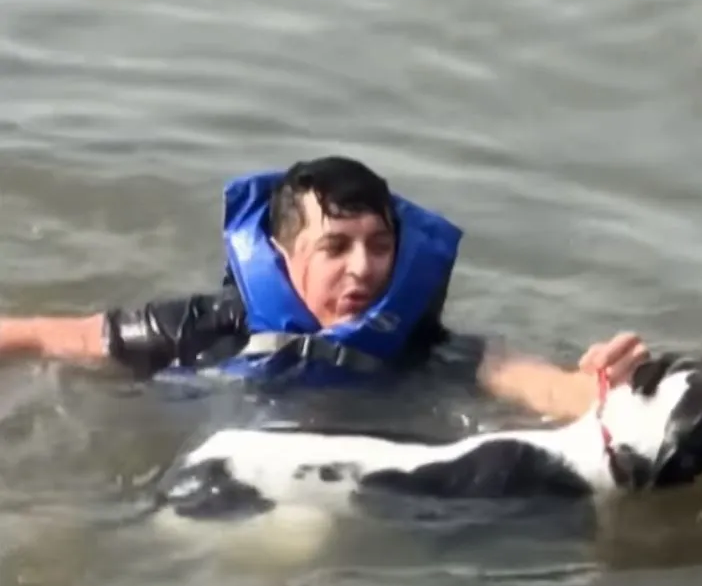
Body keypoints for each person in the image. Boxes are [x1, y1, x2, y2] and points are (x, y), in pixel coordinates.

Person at [0, 156, 648, 422]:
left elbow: (539, 384)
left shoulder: (425, 349)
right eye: (335, 248)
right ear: (283, 255)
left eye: (380, 245)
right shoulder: (201, 329)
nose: (363, 269)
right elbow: (44, 336)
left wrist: (595, 386)